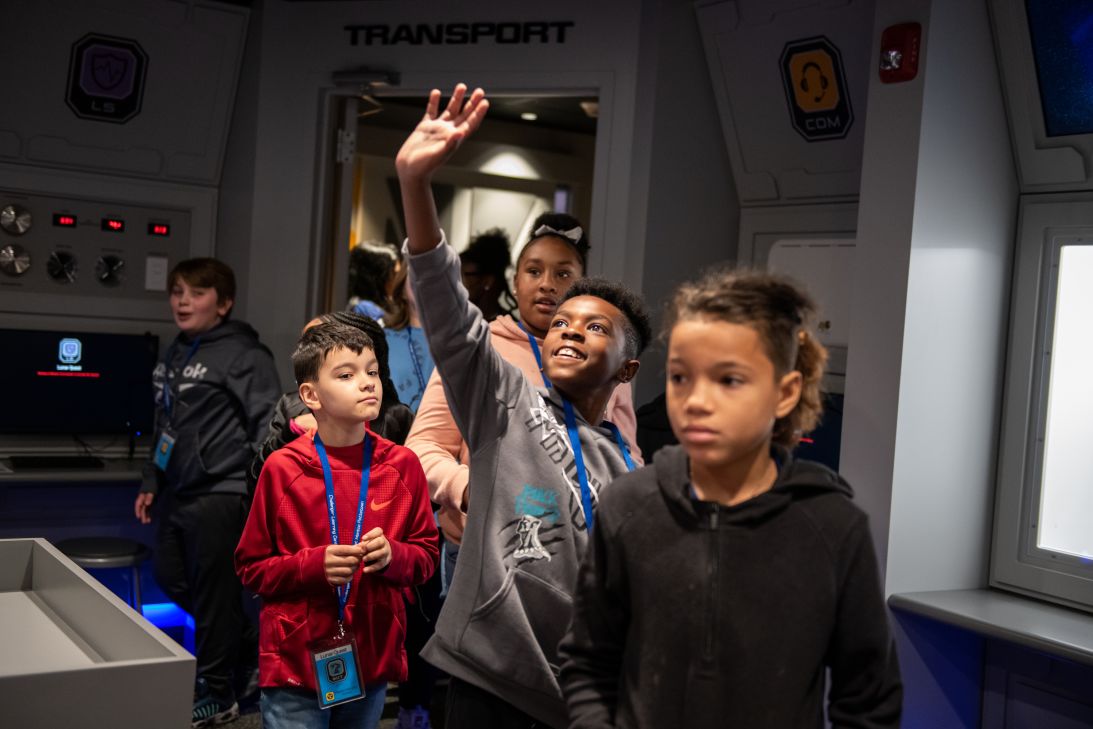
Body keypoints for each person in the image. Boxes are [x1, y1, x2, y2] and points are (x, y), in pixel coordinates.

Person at [397, 84, 652, 729]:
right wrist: (415, 185)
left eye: (594, 326)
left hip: (580, 694)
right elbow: (449, 315)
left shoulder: (628, 467)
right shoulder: (506, 396)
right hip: (489, 676)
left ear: (626, 369)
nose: (568, 326)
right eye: (563, 321)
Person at [558, 268, 903, 728]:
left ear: (785, 393)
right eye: (681, 378)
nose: (696, 400)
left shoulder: (834, 528)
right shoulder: (630, 506)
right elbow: (588, 663)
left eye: (730, 380)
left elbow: (868, 699)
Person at [235, 321, 439, 729]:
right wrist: (313, 566)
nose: (367, 383)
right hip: (295, 655)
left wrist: (394, 556)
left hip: (371, 652)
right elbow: (251, 567)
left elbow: (427, 556)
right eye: (347, 375)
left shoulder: (402, 466)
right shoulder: (283, 468)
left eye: (372, 371)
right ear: (310, 395)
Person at [133, 257, 281, 727]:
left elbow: (267, 427)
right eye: (177, 291)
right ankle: (247, 650)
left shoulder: (245, 355)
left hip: (225, 490)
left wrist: (260, 493)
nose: (182, 301)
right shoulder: (177, 351)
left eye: (196, 293)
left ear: (224, 303)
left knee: (215, 596)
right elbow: (166, 424)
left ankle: (219, 693)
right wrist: (151, 480)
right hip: (180, 491)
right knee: (170, 575)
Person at [246, 310, 414, 495]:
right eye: (306, 343)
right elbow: (257, 481)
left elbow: (421, 496)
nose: (308, 351)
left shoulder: (397, 417)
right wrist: (289, 433)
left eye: (371, 372)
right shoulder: (292, 407)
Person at [383, 257, 435, 414]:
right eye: (417, 273)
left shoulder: (462, 341)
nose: (424, 280)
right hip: (395, 435)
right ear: (402, 289)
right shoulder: (381, 340)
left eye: (433, 275)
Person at [459, 227, 516, 322]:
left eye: (464, 275)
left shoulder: (511, 330)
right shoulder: (454, 319)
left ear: (487, 281)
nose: (458, 281)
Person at [348, 241, 400, 322]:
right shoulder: (364, 308)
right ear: (379, 277)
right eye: (394, 274)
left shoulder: (386, 303)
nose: (398, 279)